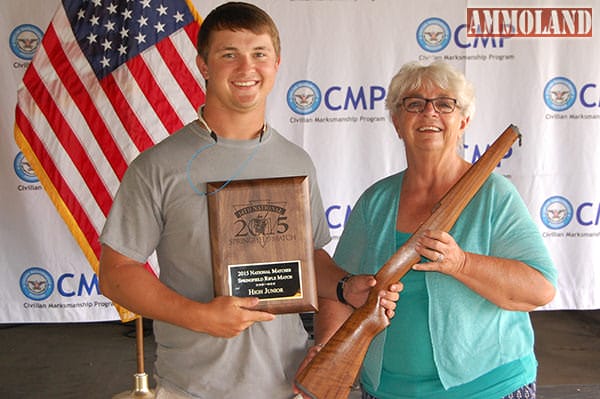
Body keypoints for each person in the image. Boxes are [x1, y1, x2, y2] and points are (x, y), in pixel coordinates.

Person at [98, 2, 399, 398]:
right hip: (193, 387)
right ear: (203, 65)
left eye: (259, 54)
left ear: (276, 63)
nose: (246, 68)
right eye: (229, 55)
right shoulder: (158, 165)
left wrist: (345, 288)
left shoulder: (296, 161)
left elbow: (307, 259)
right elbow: (116, 273)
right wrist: (201, 317)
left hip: (289, 381)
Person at [313, 60, 558, 399]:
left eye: (444, 104)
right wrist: (326, 352)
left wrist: (462, 264)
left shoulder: (494, 195)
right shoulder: (376, 201)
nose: (429, 113)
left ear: (464, 122)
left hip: (489, 389)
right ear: (397, 123)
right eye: (414, 104)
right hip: (388, 391)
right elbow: (338, 290)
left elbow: (540, 288)